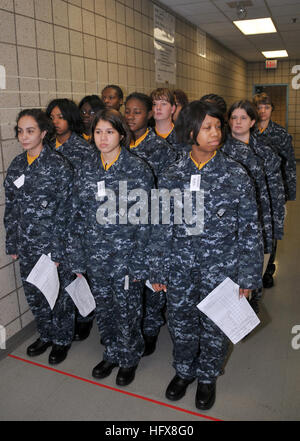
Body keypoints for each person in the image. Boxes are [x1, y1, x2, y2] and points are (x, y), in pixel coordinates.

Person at [148, 101, 263, 410]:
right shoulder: (172, 173)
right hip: (179, 267)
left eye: (217, 126)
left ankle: (208, 376)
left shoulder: (235, 175)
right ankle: (184, 371)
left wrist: (248, 276)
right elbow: (159, 225)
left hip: (221, 268)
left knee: (215, 324)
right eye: (208, 127)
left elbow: (250, 230)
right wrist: (158, 269)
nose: (216, 133)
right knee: (181, 321)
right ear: (190, 132)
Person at [66, 109, 154, 386]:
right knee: (104, 308)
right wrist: (76, 256)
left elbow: (148, 221)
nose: (103, 138)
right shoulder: (86, 168)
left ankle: (129, 358)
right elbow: (76, 215)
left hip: (125, 257)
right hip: (95, 256)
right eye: (98, 132)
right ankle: (112, 352)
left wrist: (141, 262)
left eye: (109, 132)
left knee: (127, 310)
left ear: (121, 134)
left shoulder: (137, 169)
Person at [4, 109, 74, 364]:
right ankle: (45, 333)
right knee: (34, 293)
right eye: (20, 131)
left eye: (30, 130)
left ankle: (62, 339)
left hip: (51, 247)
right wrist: (12, 241)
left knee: (58, 296)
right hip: (26, 244)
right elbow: (11, 206)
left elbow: (67, 211)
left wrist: (57, 250)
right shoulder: (17, 165)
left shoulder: (58, 166)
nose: (23, 136)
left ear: (44, 133)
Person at [124, 92, 177, 356]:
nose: (131, 116)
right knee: (131, 281)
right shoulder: (118, 144)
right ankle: (130, 327)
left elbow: (168, 197)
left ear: (147, 115)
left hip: (152, 227)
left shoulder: (161, 150)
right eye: (128, 111)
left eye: (137, 111)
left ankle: (151, 328)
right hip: (124, 229)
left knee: (152, 283)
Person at [223, 100, 281, 312]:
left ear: (252, 121)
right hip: (231, 221)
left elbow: (275, 192)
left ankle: (250, 307)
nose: (238, 122)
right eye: (234, 117)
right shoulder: (221, 151)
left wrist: (276, 226)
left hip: (261, 220)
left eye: (243, 118)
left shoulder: (265, 152)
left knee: (255, 266)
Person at [46, 98, 95, 341]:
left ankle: (85, 316)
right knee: (59, 272)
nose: (56, 122)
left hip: (76, 220)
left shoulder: (83, 149)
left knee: (78, 271)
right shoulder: (46, 145)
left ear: (71, 118)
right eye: (52, 117)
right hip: (53, 221)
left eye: (61, 117)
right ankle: (66, 317)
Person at [253, 92, 296, 288]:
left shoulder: (280, 134)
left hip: (273, 190)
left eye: (266, 107)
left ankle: (268, 270)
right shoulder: (248, 130)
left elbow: (289, 165)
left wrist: (288, 192)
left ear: (272, 109)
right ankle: (253, 267)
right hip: (252, 189)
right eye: (259, 108)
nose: (262, 111)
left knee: (271, 230)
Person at [150, 87, 185, 153]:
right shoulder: (146, 136)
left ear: (173, 109)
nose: (158, 108)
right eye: (154, 104)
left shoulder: (183, 137)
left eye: (163, 104)